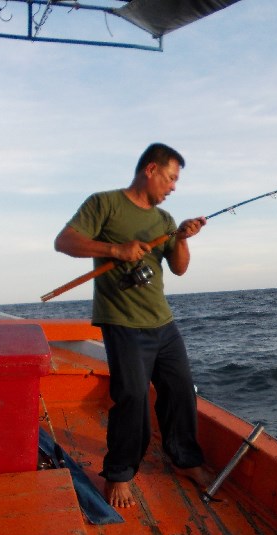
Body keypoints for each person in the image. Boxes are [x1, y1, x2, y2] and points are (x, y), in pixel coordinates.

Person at [54, 143, 208, 508]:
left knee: (181, 389)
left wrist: (182, 239)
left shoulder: (165, 221)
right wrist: (116, 250)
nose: (173, 187)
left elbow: (180, 268)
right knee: (132, 398)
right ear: (150, 169)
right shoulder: (104, 204)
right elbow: (64, 242)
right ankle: (120, 472)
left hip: (162, 321)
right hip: (122, 322)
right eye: (171, 178)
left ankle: (185, 459)